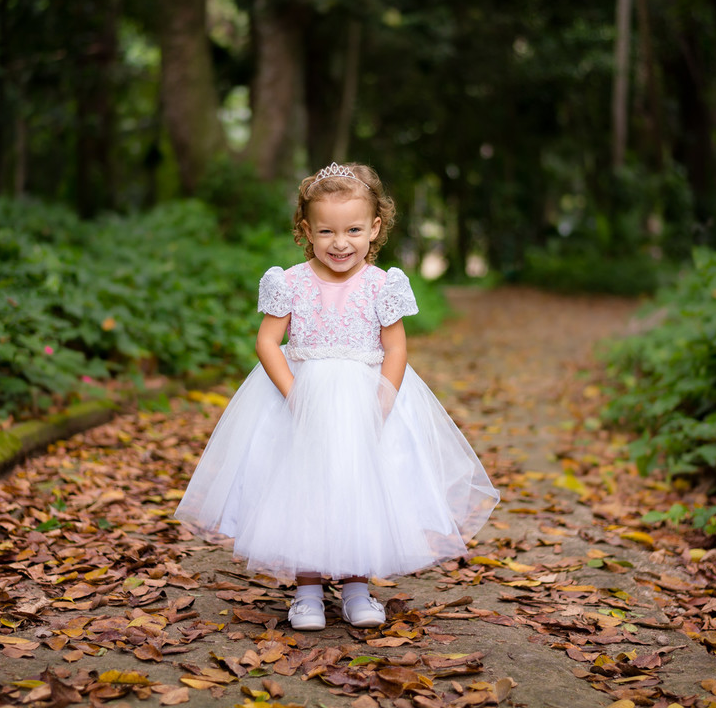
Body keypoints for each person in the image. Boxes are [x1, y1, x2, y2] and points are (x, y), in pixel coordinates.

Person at [175, 162, 499, 631]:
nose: (340, 242)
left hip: (364, 402)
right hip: (300, 400)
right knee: (302, 487)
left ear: (375, 228)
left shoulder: (382, 284)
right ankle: (307, 592)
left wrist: (383, 400)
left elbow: (396, 347)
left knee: (358, 487)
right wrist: (294, 395)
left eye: (353, 230)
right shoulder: (290, 282)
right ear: (307, 231)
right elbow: (267, 341)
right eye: (326, 231)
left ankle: (356, 588)